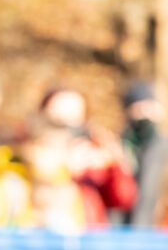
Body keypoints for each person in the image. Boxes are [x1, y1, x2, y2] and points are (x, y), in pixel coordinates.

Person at [37, 87, 138, 227]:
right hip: (40, 231)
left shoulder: (96, 148)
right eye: (59, 117)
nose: (67, 122)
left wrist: (115, 164)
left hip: (88, 235)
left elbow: (124, 198)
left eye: (74, 116)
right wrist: (66, 169)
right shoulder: (30, 148)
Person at [119, 80, 168, 228]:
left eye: (149, 106)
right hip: (122, 226)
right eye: (139, 107)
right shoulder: (120, 146)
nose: (145, 112)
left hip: (161, 225)